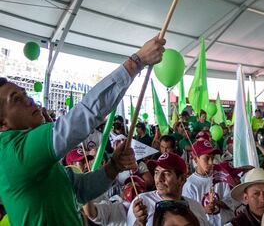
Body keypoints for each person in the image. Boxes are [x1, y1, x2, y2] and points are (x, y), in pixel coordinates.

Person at [0, 36, 165, 226]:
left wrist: (114, 167)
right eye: (16, 99)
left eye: (25, 94)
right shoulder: (12, 151)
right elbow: (85, 114)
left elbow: (78, 191)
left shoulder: (34, 158)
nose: (29, 100)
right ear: (2, 124)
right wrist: (136, 62)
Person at [128, 152, 208, 226]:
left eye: (166, 173)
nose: (159, 179)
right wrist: (139, 223)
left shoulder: (196, 208)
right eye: (156, 172)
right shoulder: (142, 204)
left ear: (182, 179)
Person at [181, 139, 236, 226]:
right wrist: (204, 210)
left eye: (212, 158)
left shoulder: (221, 176)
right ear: (196, 159)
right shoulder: (190, 185)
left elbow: (230, 202)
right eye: (207, 158)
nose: (211, 162)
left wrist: (217, 202)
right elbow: (189, 214)